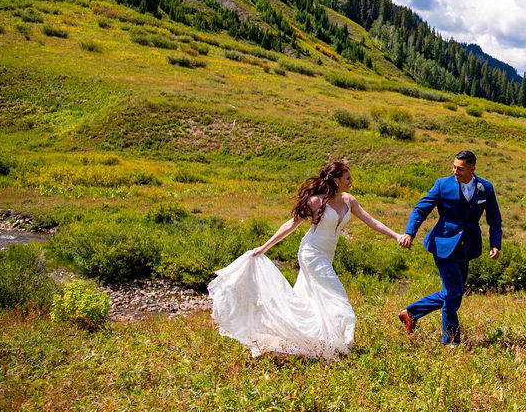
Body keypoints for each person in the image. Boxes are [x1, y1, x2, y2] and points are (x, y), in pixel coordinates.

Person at [208, 161, 400, 359]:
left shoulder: (349, 200)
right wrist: (265, 247)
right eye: (347, 178)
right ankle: (334, 346)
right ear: (336, 180)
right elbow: (291, 224)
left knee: (310, 301)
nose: (351, 182)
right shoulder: (316, 201)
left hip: (327, 255)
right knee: (339, 300)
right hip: (312, 254)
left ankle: (313, 345)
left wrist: (396, 236)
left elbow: (372, 221)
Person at [397, 150, 502, 346]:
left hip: (468, 247)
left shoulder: (485, 188)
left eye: (460, 169)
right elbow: (421, 209)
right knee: (453, 293)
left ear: (473, 169)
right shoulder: (442, 185)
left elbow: (494, 219)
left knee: (454, 292)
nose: (455, 171)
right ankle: (451, 343)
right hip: (442, 244)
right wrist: (410, 233)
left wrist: (495, 244)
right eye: (454, 167)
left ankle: (410, 313)